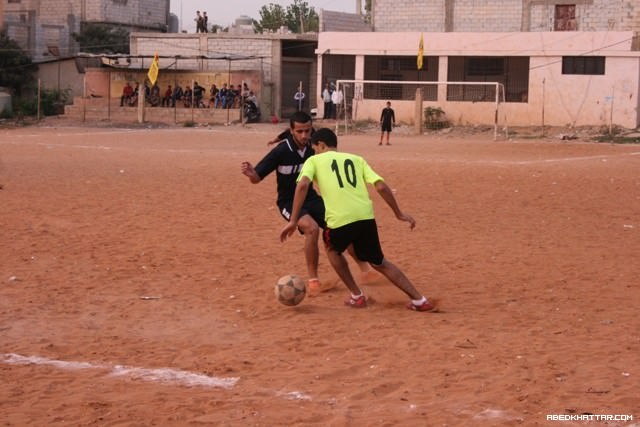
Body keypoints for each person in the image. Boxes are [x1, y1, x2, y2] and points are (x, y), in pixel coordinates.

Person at [280, 128, 435, 312]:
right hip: (365, 217)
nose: (314, 152)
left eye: (315, 148)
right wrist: (398, 213)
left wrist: (293, 220)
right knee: (380, 263)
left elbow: (303, 185)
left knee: (332, 250)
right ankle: (419, 300)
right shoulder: (357, 159)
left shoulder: (313, 160)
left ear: (320, 145)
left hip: (339, 219)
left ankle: (357, 295)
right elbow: (381, 186)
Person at [242, 112, 372, 292]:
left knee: (341, 224)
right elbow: (257, 178)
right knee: (311, 228)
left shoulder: (316, 147)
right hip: (289, 202)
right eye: (300, 131)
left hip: (311, 198)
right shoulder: (281, 151)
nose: (304, 136)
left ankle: (365, 269)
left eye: (308, 131)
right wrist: (251, 174)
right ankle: (313, 280)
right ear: (292, 131)